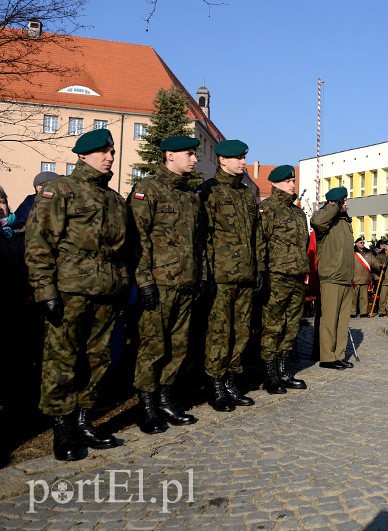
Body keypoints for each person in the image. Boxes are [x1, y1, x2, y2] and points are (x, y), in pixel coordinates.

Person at [25, 129, 129, 461]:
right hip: (69, 291)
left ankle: (85, 421)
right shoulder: (61, 190)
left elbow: (123, 251)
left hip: (107, 292)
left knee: (98, 360)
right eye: (101, 151)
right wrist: (45, 290)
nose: (108, 156)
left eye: (111, 151)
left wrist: (122, 285)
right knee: (62, 361)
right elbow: (39, 243)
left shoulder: (114, 199)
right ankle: (63, 429)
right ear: (82, 155)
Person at [127, 135, 204, 434]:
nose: (195, 159)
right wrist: (144, 281)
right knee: (152, 347)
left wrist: (200, 277)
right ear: (169, 155)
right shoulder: (147, 189)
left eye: (196, 154)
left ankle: (166, 398)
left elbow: (198, 243)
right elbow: (138, 239)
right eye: (189, 154)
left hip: (186, 282)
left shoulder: (188, 195)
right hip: (159, 283)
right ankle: (146, 406)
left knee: (178, 346)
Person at [198, 139, 266, 410]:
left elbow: (256, 234)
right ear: (222, 161)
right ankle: (215, 383)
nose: (243, 163)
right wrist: (206, 275)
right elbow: (201, 237)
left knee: (241, 332)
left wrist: (260, 267)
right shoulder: (208, 192)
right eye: (237, 158)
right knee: (219, 332)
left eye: (244, 158)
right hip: (221, 276)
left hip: (246, 275)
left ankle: (231, 381)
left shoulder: (247, 193)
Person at [258, 164, 309, 394]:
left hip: (297, 274)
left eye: (293, 181)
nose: (292, 184)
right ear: (276, 183)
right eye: (288, 181)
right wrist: (263, 272)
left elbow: (304, 244)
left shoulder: (298, 212)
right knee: (273, 325)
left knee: (291, 325)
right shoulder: (267, 209)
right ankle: (270, 374)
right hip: (276, 275)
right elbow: (261, 243)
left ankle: (283, 370)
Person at [310, 186, 355, 369]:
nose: (345, 204)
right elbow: (316, 221)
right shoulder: (325, 219)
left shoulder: (344, 222)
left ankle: (339, 354)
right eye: (343, 201)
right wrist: (333, 206)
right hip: (331, 276)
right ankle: (328, 357)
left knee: (342, 320)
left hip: (345, 276)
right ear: (333, 203)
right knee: (329, 320)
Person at [352, 235, 378, 317]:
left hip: (365, 278)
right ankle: (352, 312)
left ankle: (363, 312)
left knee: (364, 297)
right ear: (356, 243)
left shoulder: (368, 253)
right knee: (353, 297)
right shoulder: (351, 252)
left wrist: (380, 266)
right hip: (354, 279)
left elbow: (374, 262)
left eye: (363, 242)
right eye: (361, 242)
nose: (363, 243)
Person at [373, 239, 388, 316]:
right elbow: (376, 265)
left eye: (387, 245)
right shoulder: (380, 255)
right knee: (383, 296)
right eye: (385, 245)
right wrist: (377, 277)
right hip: (384, 279)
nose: (386, 246)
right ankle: (382, 311)